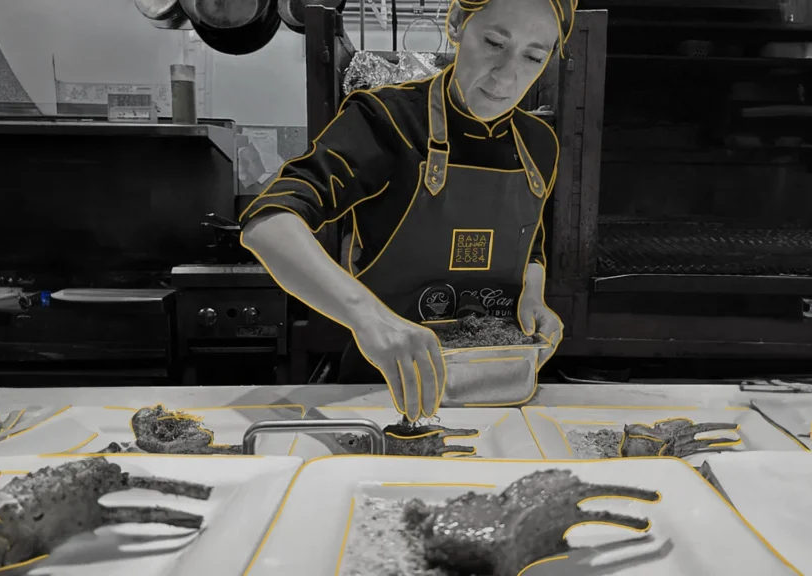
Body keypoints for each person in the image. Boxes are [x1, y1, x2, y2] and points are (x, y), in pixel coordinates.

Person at [240, 0, 575, 421]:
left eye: (533, 57)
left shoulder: (539, 143)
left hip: (498, 390)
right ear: (457, 23)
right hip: (386, 392)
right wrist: (369, 318)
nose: (508, 76)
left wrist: (533, 297)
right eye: (494, 43)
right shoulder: (385, 119)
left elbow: (532, 243)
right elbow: (268, 221)